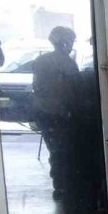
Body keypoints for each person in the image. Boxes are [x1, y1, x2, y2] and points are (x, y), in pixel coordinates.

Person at [31, 26, 79, 199]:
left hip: (44, 113)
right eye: (71, 41)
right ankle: (63, 188)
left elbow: (36, 87)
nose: (72, 45)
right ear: (65, 42)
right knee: (63, 151)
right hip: (58, 114)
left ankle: (60, 186)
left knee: (56, 151)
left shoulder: (41, 60)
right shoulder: (67, 63)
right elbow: (74, 91)